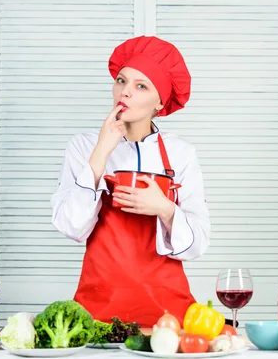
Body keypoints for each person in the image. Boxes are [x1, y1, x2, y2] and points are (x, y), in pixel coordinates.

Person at [50, 35, 211, 328]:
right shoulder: (84, 146)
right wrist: (102, 150)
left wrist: (165, 208)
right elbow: (71, 226)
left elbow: (197, 245)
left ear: (160, 102)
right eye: (122, 81)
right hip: (98, 310)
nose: (125, 92)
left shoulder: (181, 153)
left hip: (168, 315)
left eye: (141, 86)